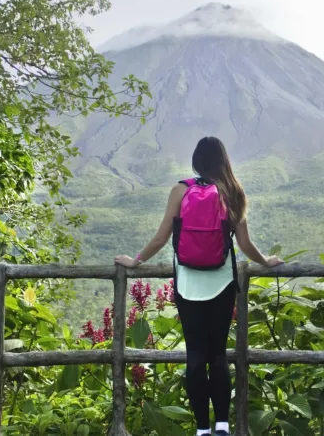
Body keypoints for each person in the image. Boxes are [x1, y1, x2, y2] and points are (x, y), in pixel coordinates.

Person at [115, 136, 284, 436]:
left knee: (195, 357)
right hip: (222, 283)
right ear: (223, 161)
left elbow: (161, 237)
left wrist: (136, 260)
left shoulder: (180, 190)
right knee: (218, 355)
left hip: (188, 284)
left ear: (196, 161)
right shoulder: (232, 191)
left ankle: (202, 429)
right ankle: (222, 425)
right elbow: (244, 244)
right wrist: (266, 260)